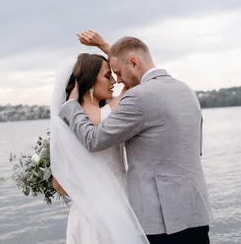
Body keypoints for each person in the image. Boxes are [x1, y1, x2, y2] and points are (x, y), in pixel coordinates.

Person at [60, 30, 213, 244]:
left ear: (133, 62)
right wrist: (106, 46)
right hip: (196, 211)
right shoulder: (185, 90)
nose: (120, 81)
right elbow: (197, 149)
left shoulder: (138, 98)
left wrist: (70, 106)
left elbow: (94, 140)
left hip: (162, 220)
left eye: (119, 72)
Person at [49, 52, 149, 243]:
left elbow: (58, 184)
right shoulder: (107, 115)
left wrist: (91, 194)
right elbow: (140, 79)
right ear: (90, 81)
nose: (114, 81)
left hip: (88, 212)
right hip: (110, 212)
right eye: (107, 75)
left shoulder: (71, 120)